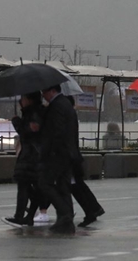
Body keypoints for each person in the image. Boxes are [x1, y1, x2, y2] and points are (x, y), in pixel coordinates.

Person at [39, 84, 79, 235]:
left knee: (45, 183)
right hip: (68, 153)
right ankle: (65, 222)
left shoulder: (57, 106)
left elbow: (56, 131)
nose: (43, 94)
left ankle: (65, 215)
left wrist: (50, 152)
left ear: (52, 91)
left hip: (58, 153)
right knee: (63, 187)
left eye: (44, 91)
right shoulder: (66, 104)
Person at [1, 92, 45, 227]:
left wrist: (16, 122)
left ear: (29, 100)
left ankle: (20, 216)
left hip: (30, 155)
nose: (21, 101)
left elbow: (28, 132)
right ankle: (29, 216)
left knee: (24, 185)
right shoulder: (35, 111)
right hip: (32, 154)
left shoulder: (34, 113)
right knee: (32, 187)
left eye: (23, 98)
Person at [65, 95, 105, 228]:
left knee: (75, 187)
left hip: (69, 158)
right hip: (74, 157)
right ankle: (94, 208)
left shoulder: (67, 118)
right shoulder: (72, 117)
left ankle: (89, 211)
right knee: (78, 185)